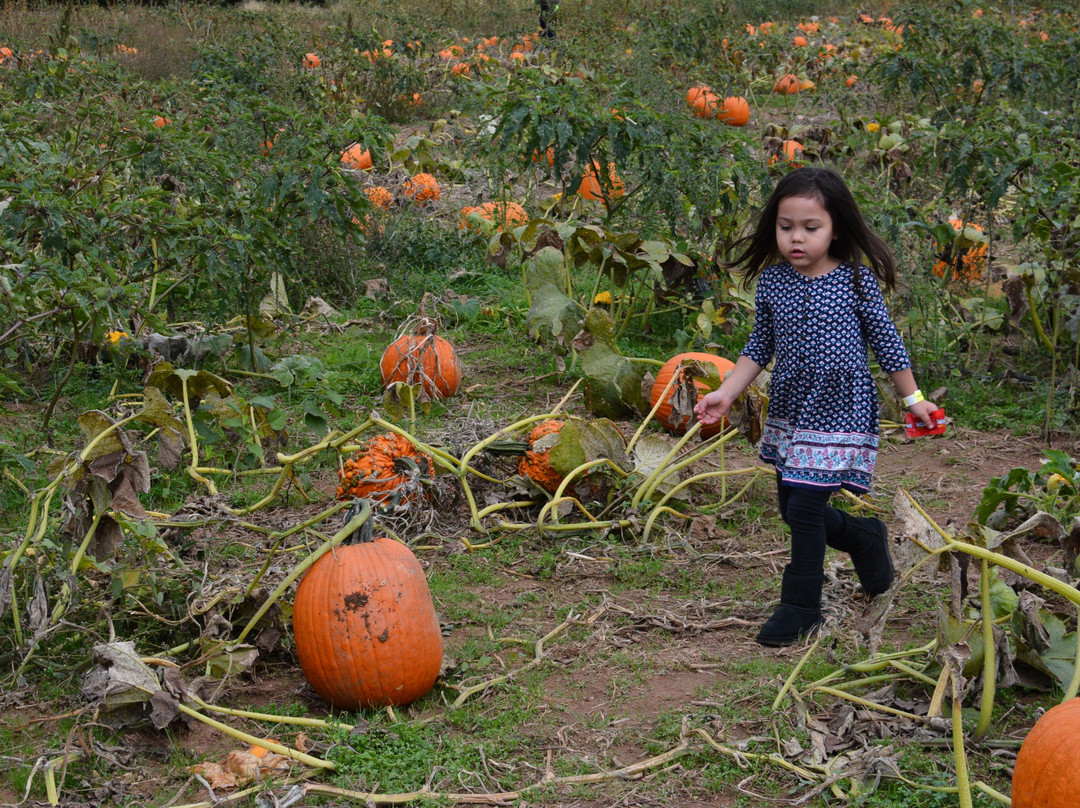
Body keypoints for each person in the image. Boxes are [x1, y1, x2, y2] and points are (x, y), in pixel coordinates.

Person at [693, 166, 939, 647]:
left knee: (805, 507)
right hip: (792, 405)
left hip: (841, 404)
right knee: (793, 508)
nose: (796, 238)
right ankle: (866, 538)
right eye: (786, 227)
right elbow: (759, 346)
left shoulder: (856, 281)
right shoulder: (773, 283)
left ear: (836, 229)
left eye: (811, 227)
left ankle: (801, 606)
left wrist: (913, 399)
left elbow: (887, 344)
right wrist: (728, 392)